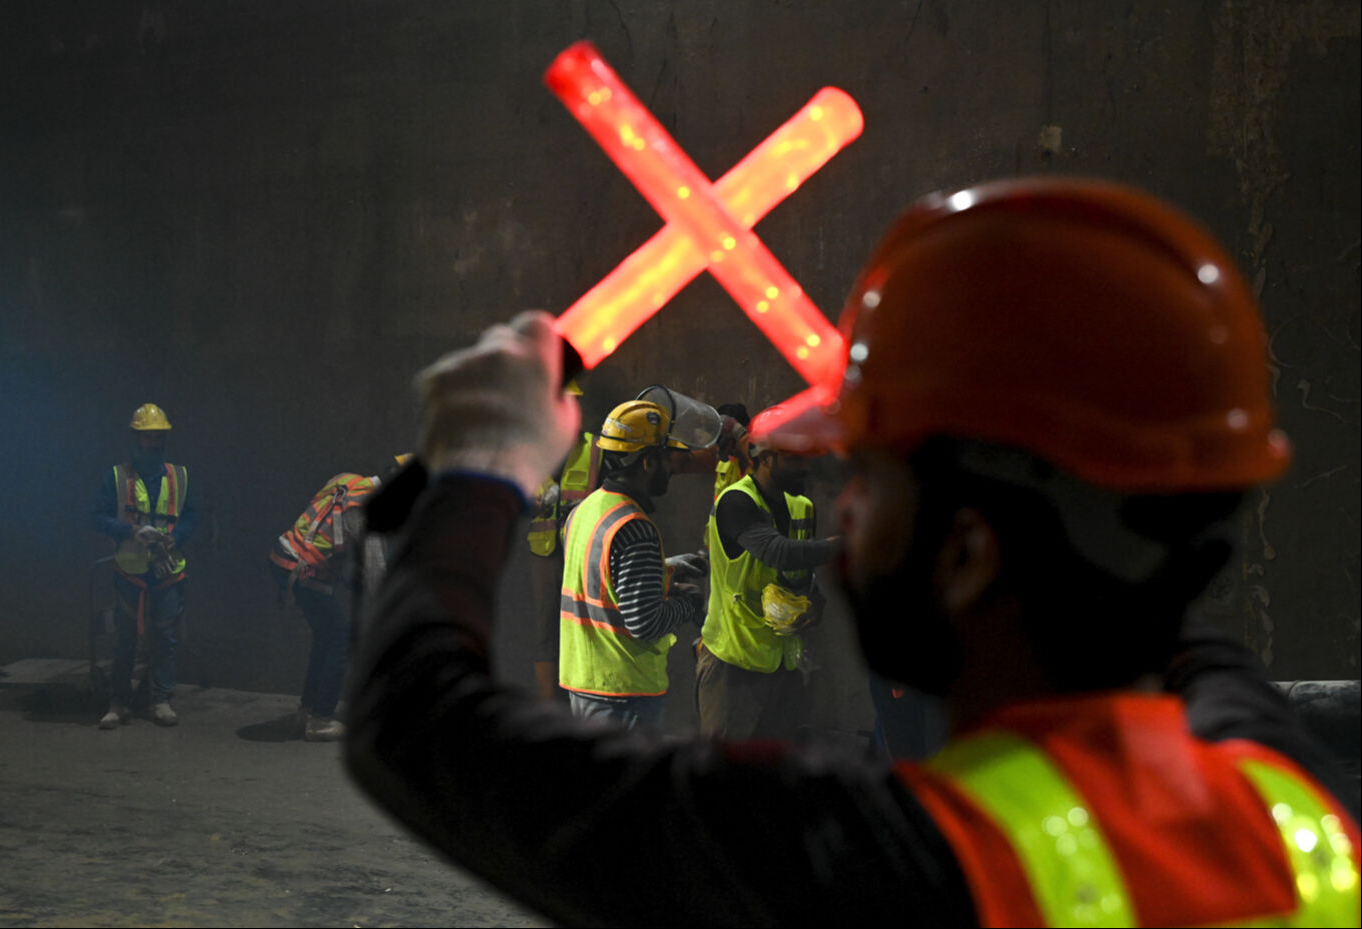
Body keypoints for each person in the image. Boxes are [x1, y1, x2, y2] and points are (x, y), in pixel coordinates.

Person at [343, 178, 1360, 926]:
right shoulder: (1293, 796)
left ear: (965, 550)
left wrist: (478, 466)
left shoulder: (888, 861)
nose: (837, 535)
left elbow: (420, 722)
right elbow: (1187, 626)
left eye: (864, 484)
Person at [557, 395, 710, 730]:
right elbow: (645, 623)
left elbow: (601, 579)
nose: (671, 468)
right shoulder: (634, 527)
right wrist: (688, 602)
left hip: (585, 682)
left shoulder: (585, 510)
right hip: (624, 690)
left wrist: (665, 568)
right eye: (667, 458)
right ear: (647, 462)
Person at [696, 407, 841, 739]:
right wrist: (844, 545)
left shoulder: (801, 506)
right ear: (765, 458)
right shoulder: (736, 502)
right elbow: (776, 551)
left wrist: (813, 602)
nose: (805, 468)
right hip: (734, 667)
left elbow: (801, 574)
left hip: (784, 668)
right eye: (794, 459)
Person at [91, 403, 196, 729]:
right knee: (125, 636)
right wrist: (133, 531)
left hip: (167, 566)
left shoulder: (179, 476)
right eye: (147, 437)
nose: (153, 443)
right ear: (135, 438)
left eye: (158, 437)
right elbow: (97, 517)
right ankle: (119, 702)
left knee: (164, 638)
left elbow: (192, 516)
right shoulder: (116, 477)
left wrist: (175, 538)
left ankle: (160, 700)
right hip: (130, 568)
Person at [270, 470, 384, 741]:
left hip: (285, 558)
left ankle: (307, 712)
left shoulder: (345, 480)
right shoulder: (368, 508)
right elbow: (376, 570)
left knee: (326, 637)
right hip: (304, 570)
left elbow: (326, 526)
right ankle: (320, 720)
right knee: (341, 640)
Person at [526, 392, 600, 701]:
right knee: (546, 632)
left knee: (585, 628)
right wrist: (538, 503)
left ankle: (582, 702)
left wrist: (583, 507)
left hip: (583, 554)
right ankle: (549, 707)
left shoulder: (595, 448)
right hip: (544, 554)